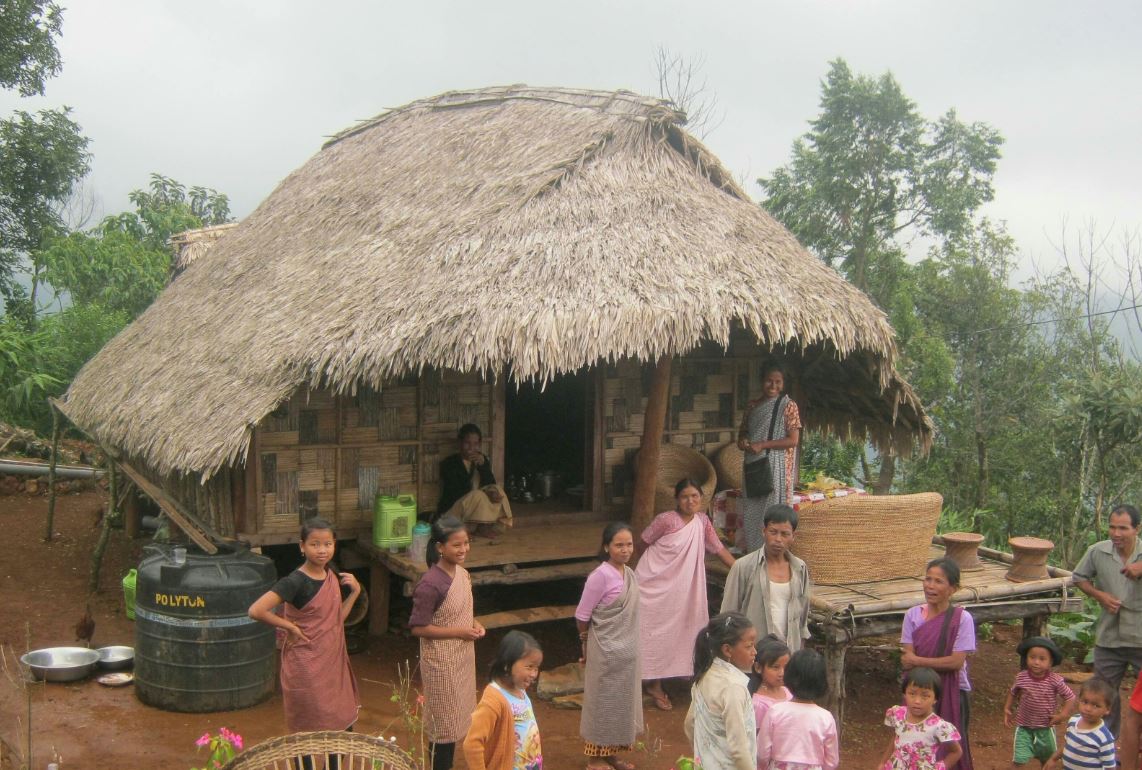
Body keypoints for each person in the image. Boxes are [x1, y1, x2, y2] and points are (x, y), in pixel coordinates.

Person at [247, 517, 361, 736]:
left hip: (332, 666)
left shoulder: (331, 576)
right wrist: (289, 627)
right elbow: (256, 610)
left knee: (340, 729)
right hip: (306, 666)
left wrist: (355, 593)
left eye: (328, 544)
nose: (322, 550)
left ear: (334, 545)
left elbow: (335, 620)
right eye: (314, 544)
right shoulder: (295, 581)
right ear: (302, 546)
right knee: (307, 729)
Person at [636, 477, 736, 711]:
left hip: (684, 589)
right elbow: (643, 542)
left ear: (702, 499)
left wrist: (742, 568)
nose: (690, 501)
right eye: (684, 497)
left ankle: (684, 673)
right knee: (654, 631)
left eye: (695, 496)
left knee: (685, 629)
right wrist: (644, 570)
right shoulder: (666, 520)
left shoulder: (702, 521)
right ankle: (653, 683)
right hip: (655, 583)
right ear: (677, 500)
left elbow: (719, 548)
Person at [409, 515, 486, 770]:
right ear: (440, 547)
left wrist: (474, 624)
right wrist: (460, 632)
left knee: (457, 719)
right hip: (442, 662)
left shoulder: (462, 574)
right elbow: (418, 627)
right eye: (457, 545)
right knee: (443, 726)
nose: (463, 549)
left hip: (461, 658)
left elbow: (460, 610)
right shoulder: (430, 584)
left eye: (466, 543)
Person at [576, 522, 642, 770]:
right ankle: (595, 758)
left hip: (626, 656)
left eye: (629, 544)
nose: (625, 550)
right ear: (606, 547)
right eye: (619, 545)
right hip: (604, 653)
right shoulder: (600, 576)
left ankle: (612, 755)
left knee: (620, 704)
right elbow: (582, 616)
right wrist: (585, 643)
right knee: (602, 703)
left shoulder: (629, 574)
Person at [1071, 503, 1142, 736]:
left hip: (1140, 637)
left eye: (1123, 528)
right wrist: (1100, 596)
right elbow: (1079, 578)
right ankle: (1104, 748)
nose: (1116, 533)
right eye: (1112, 527)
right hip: (1109, 637)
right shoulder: (1098, 551)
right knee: (1104, 694)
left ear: (1137, 529)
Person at [900, 557, 976, 770]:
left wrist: (917, 661)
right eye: (927, 579)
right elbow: (907, 660)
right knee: (913, 744)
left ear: (953, 588)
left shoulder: (962, 619)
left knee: (949, 746)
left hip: (952, 693)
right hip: (917, 692)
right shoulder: (913, 615)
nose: (930, 586)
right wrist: (914, 661)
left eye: (938, 581)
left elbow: (956, 661)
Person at [720, 504, 811, 651]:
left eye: (785, 534)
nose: (778, 539)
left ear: (793, 537)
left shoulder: (799, 568)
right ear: (764, 532)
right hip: (752, 657)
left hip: (788, 655)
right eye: (773, 532)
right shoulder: (743, 567)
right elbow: (727, 616)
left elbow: (802, 620)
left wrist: (798, 656)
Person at [736, 363, 802, 553]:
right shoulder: (752, 406)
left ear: (783, 384)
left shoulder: (788, 406)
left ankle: (774, 555)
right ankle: (754, 554)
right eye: (769, 381)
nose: (773, 386)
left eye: (778, 382)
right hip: (753, 466)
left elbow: (793, 440)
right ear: (761, 381)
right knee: (752, 510)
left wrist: (763, 444)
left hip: (776, 468)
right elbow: (743, 434)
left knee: (773, 513)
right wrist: (743, 443)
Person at [683, 612, 758, 770]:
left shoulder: (704, 676)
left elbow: (689, 724)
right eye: (749, 646)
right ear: (727, 650)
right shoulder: (734, 688)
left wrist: (703, 753)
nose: (755, 651)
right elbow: (739, 750)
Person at [463, 630, 544, 770]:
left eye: (536, 668)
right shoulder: (493, 700)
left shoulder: (521, 691)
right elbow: (472, 743)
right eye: (529, 667)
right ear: (507, 665)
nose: (533, 674)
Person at [756, 648, 839, 770]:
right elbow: (832, 761)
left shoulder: (775, 712)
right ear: (822, 682)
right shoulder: (825, 717)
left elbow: (762, 752)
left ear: (789, 676)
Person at [1004, 636, 1076, 769]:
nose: (1036, 662)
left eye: (1042, 659)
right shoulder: (1022, 677)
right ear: (1026, 658)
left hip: (1045, 727)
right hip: (1024, 726)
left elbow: (1070, 697)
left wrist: (1062, 715)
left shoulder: (1055, 680)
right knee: (1018, 759)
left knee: (1048, 760)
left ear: (1050, 662)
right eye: (1032, 657)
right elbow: (1013, 692)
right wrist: (1007, 708)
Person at [877, 666, 963, 770]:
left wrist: (939, 767)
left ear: (935, 699)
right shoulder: (898, 714)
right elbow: (896, 738)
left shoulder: (940, 726)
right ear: (905, 694)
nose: (917, 701)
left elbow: (956, 752)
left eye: (925, 696)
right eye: (912, 694)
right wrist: (883, 763)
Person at [437, 423, 512, 537]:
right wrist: (485, 493)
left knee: (498, 490)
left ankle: (482, 526)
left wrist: (483, 467)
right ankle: (476, 527)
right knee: (478, 494)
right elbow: (456, 491)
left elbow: (490, 483)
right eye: (467, 443)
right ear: (460, 443)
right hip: (454, 514)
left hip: (475, 514)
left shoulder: (481, 461)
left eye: (476, 444)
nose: (472, 448)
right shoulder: (449, 464)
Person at [1046, 678, 1116, 770]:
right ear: (1079, 700)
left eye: (1095, 705)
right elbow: (1067, 744)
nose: (1088, 708)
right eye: (1085, 702)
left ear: (1107, 709)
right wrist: (1053, 759)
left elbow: (1110, 767)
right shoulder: (1073, 721)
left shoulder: (1104, 737)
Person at [748, 634, 792, 769]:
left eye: (786, 667)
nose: (782, 673)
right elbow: (756, 742)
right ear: (758, 668)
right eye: (775, 667)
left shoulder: (788, 692)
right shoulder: (758, 704)